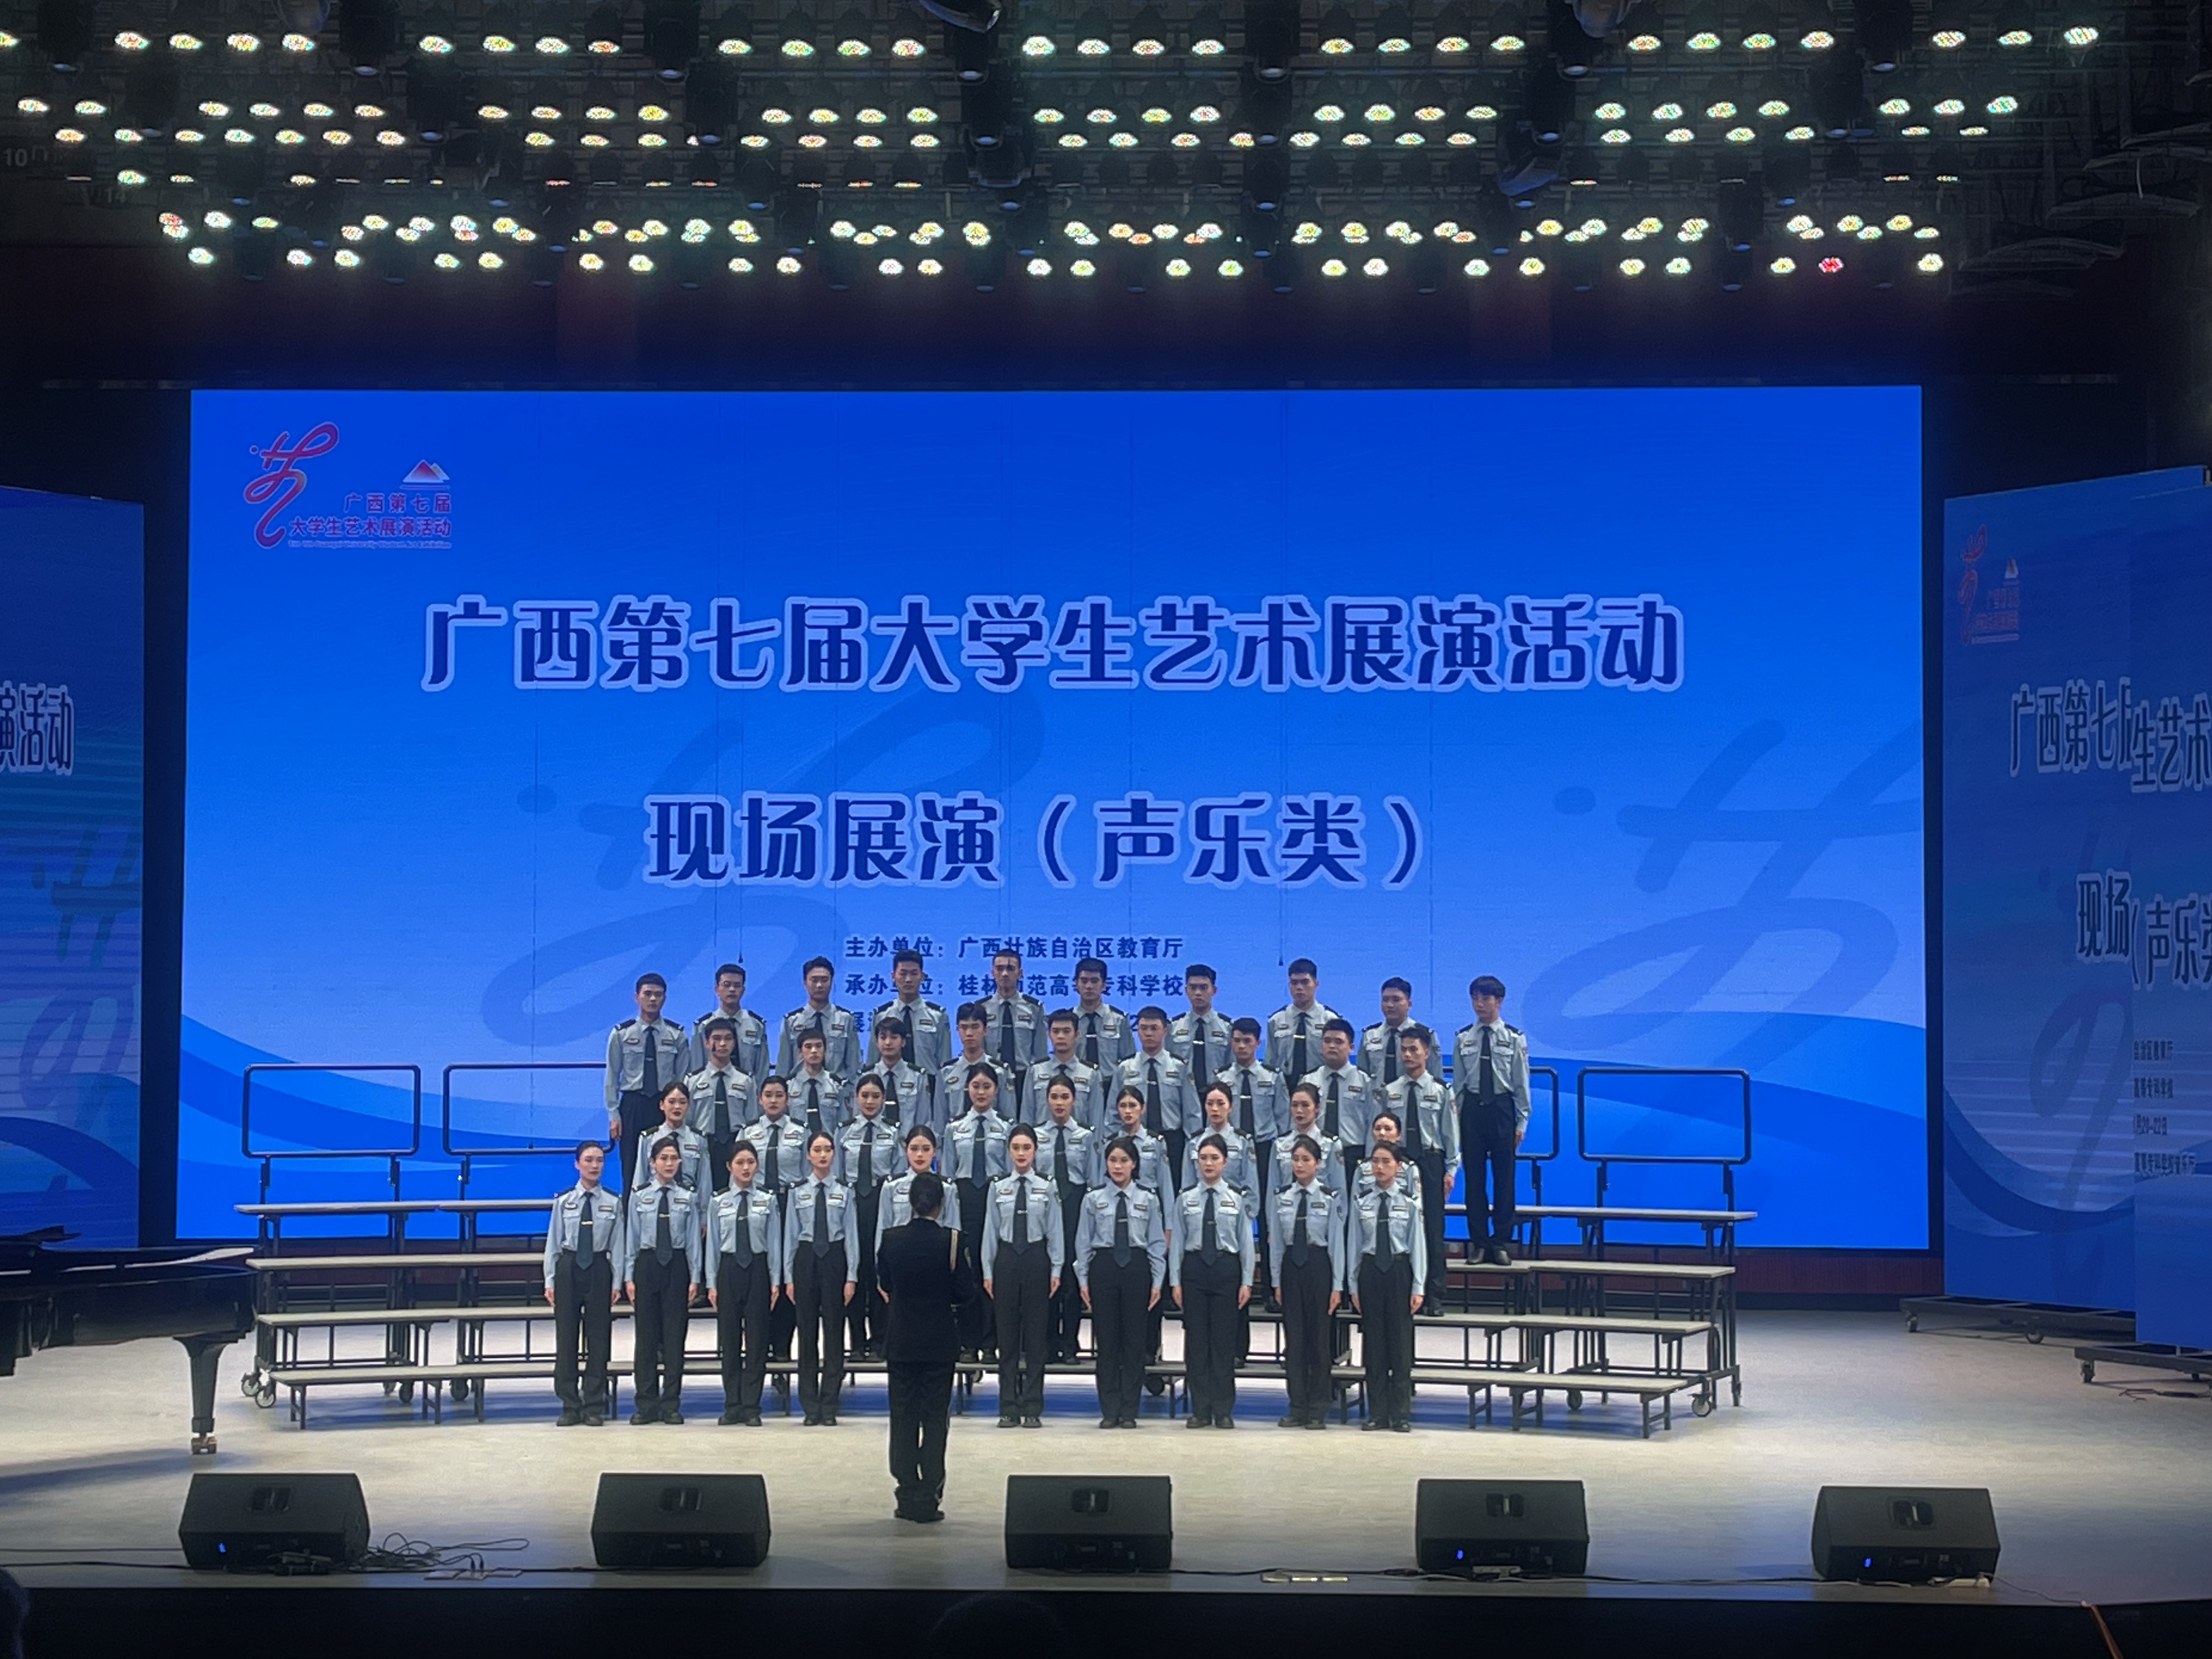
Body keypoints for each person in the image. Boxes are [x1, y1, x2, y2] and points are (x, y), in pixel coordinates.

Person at [877, 1171, 975, 1522]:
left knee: (903, 1416)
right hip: (938, 1342)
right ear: (941, 1204)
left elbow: (886, 1282)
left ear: (910, 1203)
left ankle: (906, 1492)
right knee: (935, 1420)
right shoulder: (952, 1241)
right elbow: (965, 1292)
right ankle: (930, 1493)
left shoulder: (890, 1239)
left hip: (901, 1340)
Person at [1074, 1137, 1167, 1428]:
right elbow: (1083, 1243)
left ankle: (1129, 1410)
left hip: (1136, 1268)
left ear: (1134, 1164)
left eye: (1124, 1161)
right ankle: (1109, 1409)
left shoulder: (1149, 1199)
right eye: (1113, 1160)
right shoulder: (1093, 1199)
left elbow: (1156, 1244)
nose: (1118, 1166)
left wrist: (1157, 1282)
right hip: (1104, 1267)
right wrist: (1083, 1280)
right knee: (1107, 1342)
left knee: (1134, 1342)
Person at [1168, 1133, 1255, 1430]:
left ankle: (1223, 1409)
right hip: (1194, 1270)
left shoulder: (1236, 1198)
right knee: (1197, 1344)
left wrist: (1247, 1281)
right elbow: (1178, 1243)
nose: (1208, 1163)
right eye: (1203, 1158)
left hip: (1225, 1270)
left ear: (1225, 1162)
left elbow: (1245, 1243)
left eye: (1214, 1158)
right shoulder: (1185, 1199)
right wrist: (1175, 1281)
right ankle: (1200, 1410)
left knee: (1222, 1344)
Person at [980, 1123, 1062, 1427]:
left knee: (1036, 1339)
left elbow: (1055, 1231)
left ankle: (1032, 1407)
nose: (1022, 1153)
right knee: (1008, 1338)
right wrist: (987, 1270)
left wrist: (1056, 1268)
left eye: (1027, 1148)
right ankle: (1008, 1406)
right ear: (1009, 1151)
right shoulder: (998, 1187)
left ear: (1036, 1151)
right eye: (1016, 1148)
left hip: (1036, 1258)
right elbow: (990, 1232)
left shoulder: (1047, 1186)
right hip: (1007, 1260)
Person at [623, 1138, 706, 1424]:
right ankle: (646, 1404)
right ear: (652, 1163)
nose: (669, 1164)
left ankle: (671, 1403)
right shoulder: (639, 1196)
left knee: (674, 1338)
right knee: (646, 1339)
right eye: (664, 1158)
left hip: (677, 1266)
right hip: (647, 1266)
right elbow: (632, 1240)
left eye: (674, 1158)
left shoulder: (688, 1196)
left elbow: (694, 1241)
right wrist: (629, 1277)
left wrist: (695, 1277)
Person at [780, 1129, 859, 1426]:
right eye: (817, 1150)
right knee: (807, 1332)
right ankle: (810, 1405)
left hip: (835, 1258)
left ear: (834, 1154)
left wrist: (851, 1276)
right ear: (808, 1155)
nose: (823, 1155)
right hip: (806, 1258)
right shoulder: (797, 1191)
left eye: (827, 1150)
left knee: (835, 1332)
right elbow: (790, 1236)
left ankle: (830, 1404)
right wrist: (789, 1277)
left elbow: (851, 1236)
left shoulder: (845, 1191)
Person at [1454, 975, 1533, 1266]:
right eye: (1475, 998)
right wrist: (1455, 1123)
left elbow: (1521, 1083)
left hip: (1502, 1108)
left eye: (1485, 998)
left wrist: (1521, 1122)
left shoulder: (1513, 1038)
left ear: (1499, 1001)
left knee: (1504, 1180)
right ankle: (1479, 1243)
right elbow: (1459, 1085)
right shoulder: (1463, 1037)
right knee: (1474, 1181)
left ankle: (1500, 1242)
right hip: (1473, 1110)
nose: (1480, 1004)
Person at [543, 1140, 624, 1426]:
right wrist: (550, 1279)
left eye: (599, 1160)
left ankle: (593, 1405)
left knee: (598, 1339)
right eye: (589, 1160)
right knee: (567, 1338)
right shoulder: (564, 1201)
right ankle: (569, 1404)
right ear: (577, 1164)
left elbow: (618, 1245)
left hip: (599, 1268)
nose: (594, 1165)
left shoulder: (613, 1202)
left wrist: (617, 1281)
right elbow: (553, 1243)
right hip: (569, 1267)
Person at [1270, 1134, 1348, 1429]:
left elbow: (1337, 1244)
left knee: (1318, 1341)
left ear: (1318, 1163)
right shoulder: (1282, 1197)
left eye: (1306, 1159)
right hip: (1292, 1268)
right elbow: (1277, 1245)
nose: (1300, 1165)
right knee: (1295, 1342)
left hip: (1319, 1266)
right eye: (1296, 1159)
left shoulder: (1329, 1198)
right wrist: (1276, 1281)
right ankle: (1297, 1405)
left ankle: (1318, 1407)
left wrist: (1337, 1285)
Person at [1347, 1141, 1424, 1432]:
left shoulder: (1409, 1202)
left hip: (1398, 1271)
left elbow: (1418, 1247)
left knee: (1400, 1346)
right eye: (1375, 1162)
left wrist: (1418, 1286)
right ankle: (1378, 1413)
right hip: (1370, 1273)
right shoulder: (1362, 1202)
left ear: (1398, 1167)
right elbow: (1354, 1245)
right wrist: (1353, 1285)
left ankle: (1401, 1413)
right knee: (1375, 1347)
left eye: (1386, 1162)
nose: (1379, 1167)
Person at [1379, 1025, 1455, 1314]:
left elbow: (1450, 1135)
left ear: (1426, 1052)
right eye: (1404, 1050)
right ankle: (1404, 1290)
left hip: (1430, 1161)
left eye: (1414, 1049)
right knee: (1400, 1226)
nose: (1408, 1055)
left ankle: (1434, 1294)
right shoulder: (1390, 1091)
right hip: (1398, 1161)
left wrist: (1450, 1170)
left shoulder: (1441, 1090)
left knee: (1432, 1229)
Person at [944, 1064, 1013, 1358]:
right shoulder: (954, 1128)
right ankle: (969, 1342)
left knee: (994, 1270)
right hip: (965, 1200)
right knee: (969, 1272)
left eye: (987, 1086)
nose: (981, 1092)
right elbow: (948, 1177)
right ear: (967, 1089)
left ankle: (992, 1341)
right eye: (976, 1086)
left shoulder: (1007, 1127)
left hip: (995, 1198)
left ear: (996, 1090)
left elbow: (1010, 1173)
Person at [709, 1142, 781, 1425]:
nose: (746, 1168)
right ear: (730, 1166)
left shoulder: (767, 1200)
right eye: (740, 1163)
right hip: (728, 1270)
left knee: (756, 1341)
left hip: (758, 1268)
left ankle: (752, 1406)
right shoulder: (718, 1201)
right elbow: (713, 1246)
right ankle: (732, 1405)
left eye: (750, 1162)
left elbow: (774, 1242)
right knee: (729, 1341)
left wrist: (775, 1280)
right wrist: (712, 1283)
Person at [1032, 1075, 1096, 1362]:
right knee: (1047, 1276)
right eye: (1054, 1097)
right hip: (1045, 1208)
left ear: (1074, 1100)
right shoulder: (1037, 1136)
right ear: (1047, 1100)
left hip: (1075, 1206)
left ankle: (1070, 1343)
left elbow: (1093, 1181)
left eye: (1065, 1097)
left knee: (1071, 1277)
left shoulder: (1086, 1136)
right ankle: (1047, 1342)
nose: (1059, 1103)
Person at [606, 972, 689, 1189]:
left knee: (667, 1164)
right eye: (648, 994)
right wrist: (614, 1114)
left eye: (658, 995)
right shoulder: (621, 1034)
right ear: (637, 997)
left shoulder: (676, 1035)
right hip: (633, 1105)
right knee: (631, 1168)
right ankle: (630, 1210)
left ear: (665, 998)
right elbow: (612, 1076)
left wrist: (678, 1110)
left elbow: (682, 1080)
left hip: (664, 1106)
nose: (653, 999)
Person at [838, 1074, 901, 1357]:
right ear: (856, 1098)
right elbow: (838, 1174)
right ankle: (857, 1342)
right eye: (865, 1095)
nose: (870, 1101)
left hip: (881, 1202)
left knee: (878, 1269)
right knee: (854, 1269)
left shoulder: (893, 1133)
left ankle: (879, 1341)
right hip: (852, 1204)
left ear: (884, 1099)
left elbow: (898, 1176)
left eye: (876, 1096)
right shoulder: (844, 1132)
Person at [1113, 1006, 1200, 1182]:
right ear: (1137, 1032)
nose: (1149, 1034)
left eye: (1154, 1028)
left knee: (1172, 1187)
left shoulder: (1179, 1067)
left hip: (1172, 1138)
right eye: (1144, 1028)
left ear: (1165, 1031)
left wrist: (1193, 1145)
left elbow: (1192, 1110)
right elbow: (1112, 1111)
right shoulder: (1125, 1068)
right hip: (1135, 1137)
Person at [685, 1017, 755, 1192]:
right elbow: (688, 1121)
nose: (723, 1044)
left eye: (728, 1038)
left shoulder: (746, 1080)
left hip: (736, 1142)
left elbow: (752, 1120)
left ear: (734, 1042)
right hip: (704, 1143)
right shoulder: (693, 1081)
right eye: (716, 1039)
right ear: (707, 1043)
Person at [1305, 1016, 1375, 1189]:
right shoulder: (1309, 1081)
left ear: (1351, 1047)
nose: (1332, 1046)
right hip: (1317, 1152)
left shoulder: (1365, 1082)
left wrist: (1370, 1159)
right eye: (1327, 1041)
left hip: (1353, 1152)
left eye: (1338, 1042)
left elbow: (1372, 1123)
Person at [980, 946, 1049, 1111]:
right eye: (999, 969)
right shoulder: (981, 1008)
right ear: (992, 973)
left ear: (1020, 973)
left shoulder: (1034, 1008)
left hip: (1024, 1078)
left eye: (1010, 969)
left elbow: (1041, 1053)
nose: (1005, 974)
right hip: (991, 1077)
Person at [869, 947, 950, 1076]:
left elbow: (945, 1063)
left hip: (928, 1085)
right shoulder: (881, 1016)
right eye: (903, 974)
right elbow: (872, 1062)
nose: (908, 980)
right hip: (889, 1083)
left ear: (922, 976)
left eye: (914, 974)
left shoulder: (938, 1016)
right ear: (893, 976)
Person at [776, 954, 860, 1078]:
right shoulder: (792, 1021)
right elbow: (783, 1067)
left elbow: (854, 1066)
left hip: (837, 1088)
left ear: (832, 982)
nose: (819, 985)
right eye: (814, 980)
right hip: (799, 1087)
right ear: (805, 982)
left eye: (825, 980)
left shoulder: (845, 1019)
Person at [1265, 957, 1340, 1086]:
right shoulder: (1276, 1021)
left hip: (1320, 1087)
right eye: (1294, 983)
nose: (1299, 987)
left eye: (1305, 982)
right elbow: (1270, 1062)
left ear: (1316, 983)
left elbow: (1338, 1061)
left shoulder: (1330, 1020)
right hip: (1285, 1088)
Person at [1024, 1009, 1104, 1129]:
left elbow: (1096, 1121)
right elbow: (1026, 1116)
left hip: (1080, 1140)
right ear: (1049, 1035)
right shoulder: (1035, 1071)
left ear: (1077, 1035)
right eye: (1056, 1031)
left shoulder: (1091, 1074)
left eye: (1067, 1031)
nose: (1061, 1036)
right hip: (1042, 1139)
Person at [938, 1002, 1012, 1132]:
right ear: (957, 1030)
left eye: (975, 1027)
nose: (969, 1033)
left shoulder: (1000, 1071)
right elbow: (940, 1119)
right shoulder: (946, 1072)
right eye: (964, 1027)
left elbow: (1009, 1117)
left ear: (985, 1030)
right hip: (955, 1138)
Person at [692, 961, 769, 1085]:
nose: (732, 990)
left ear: (743, 990)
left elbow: (762, 1069)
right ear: (717, 989)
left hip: (748, 1090)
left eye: (737, 986)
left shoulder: (756, 1025)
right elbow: (696, 1068)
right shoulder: (703, 1026)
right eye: (727, 985)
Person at [1268, 1082, 1347, 1201]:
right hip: (1287, 1208)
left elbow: (1339, 1190)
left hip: (1320, 1208)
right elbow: (1273, 1189)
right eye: (1295, 1105)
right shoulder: (1280, 1144)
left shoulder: (1331, 1144)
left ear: (1317, 1107)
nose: (1299, 1110)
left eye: (1305, 1105)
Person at [878, 1125, 956, 1244]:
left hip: (935, 1248)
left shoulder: (947, 1188)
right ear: (906, 1151)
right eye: (914, 1149)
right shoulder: (891, 1186)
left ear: (934, 1151)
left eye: (926, 1149)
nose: (920, 1154)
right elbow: (883, 1226)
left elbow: (953, 1229)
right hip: (899, 1248)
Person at [736, 1075, 809, 1200]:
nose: (773, 1100)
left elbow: (808, 1170)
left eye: (779, 1096)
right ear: (760, 1099)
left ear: (787, 1100)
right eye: (768, 1095)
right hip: (757, 1198)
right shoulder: (747, 1131)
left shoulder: (801, 1130)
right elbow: (737, 1170)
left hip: (792, 1197)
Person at [632, 1079, 710, 1195]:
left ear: (689, 1106)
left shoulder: (699, 1140)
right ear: (662, 1105)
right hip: (655, 1200)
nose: (677, 1107)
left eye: (682, 1102)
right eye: (672, 1102)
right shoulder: (648, 1138)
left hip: (688, 1201)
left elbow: (705, 1183)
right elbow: (640, 1178)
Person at [1168, 963, 1232, 1101]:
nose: (1198, 993)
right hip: (1182, 1096)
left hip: (1218, 1097)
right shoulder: (1173, 1027)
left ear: (1214, 990)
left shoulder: (1228, 1028)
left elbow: (1233, 1068)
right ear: (1186, 990)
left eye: (1203, 988)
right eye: (1193, 988)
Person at [860, 1016, 932, 1133]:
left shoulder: (918, 1076)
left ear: (903, 1042)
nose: (888, 1043)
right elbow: (859, 1120)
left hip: (908, 1142)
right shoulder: (865, 1076)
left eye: (894, 1037)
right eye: (883, 1038)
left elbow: (924, 1120)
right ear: (877, 1042)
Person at [1070, 956, 1135, 1070]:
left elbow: (1129, 1061)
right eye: (1084, 981)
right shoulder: (1068, 1020)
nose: (1089, 986)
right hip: (1076, 1080)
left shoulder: (1119, 1019)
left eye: (1095, 981)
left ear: (1104, 985)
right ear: (1076, 984)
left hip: (1110, 1081)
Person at [787, 1028, 847, 1139]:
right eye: (808, 1047)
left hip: (829, 1146)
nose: (814, 1051)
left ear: (825, 1050)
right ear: (800, 1052)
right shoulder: (789, 1086)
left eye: (819, 1046)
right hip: (797, 1145)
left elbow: (844, 1124)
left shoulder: (837, 1085)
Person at [1359, 976, 1416, 1086]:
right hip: (1376, 1096)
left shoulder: (1423, 1035)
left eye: (1396, 1000)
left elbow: (1434, 1079)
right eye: (1385, 1000)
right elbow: (1362, 1077)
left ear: (1409, 1003)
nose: (1390, 1005)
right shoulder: (1369, 1035)